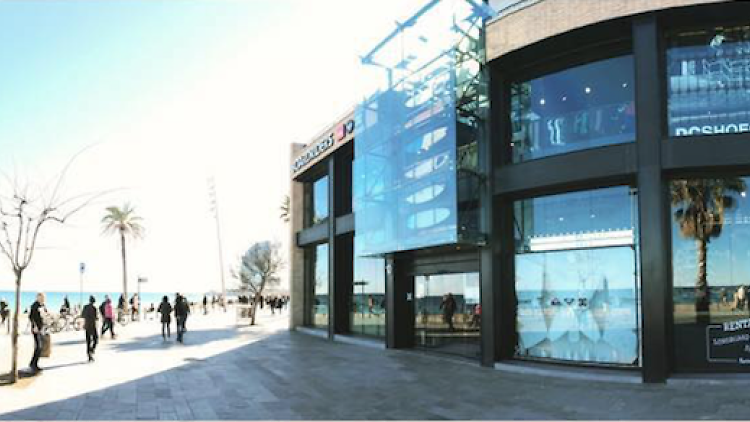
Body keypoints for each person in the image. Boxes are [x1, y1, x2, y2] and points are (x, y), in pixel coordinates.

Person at [29, 293, 46, 373]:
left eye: (43, 298)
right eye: (41, 297)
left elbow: (44, 315)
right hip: (35, 329)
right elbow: (31, 317)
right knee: (38, 347)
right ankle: (33, 364)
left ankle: (34, 363)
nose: (42, 299)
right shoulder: (34, 305)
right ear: (37, 298)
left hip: (40, 328)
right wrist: (35, 326)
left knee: (40, 347)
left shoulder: (42, 305)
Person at [82, 296, 99, 362]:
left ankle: (89, 355)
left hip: (87, 326)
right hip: (93, 326)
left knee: (88, 341)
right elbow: (96, 317)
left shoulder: (85, 307)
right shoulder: (94, 308)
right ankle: (92, 350)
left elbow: (82, 315)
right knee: (95, 340)